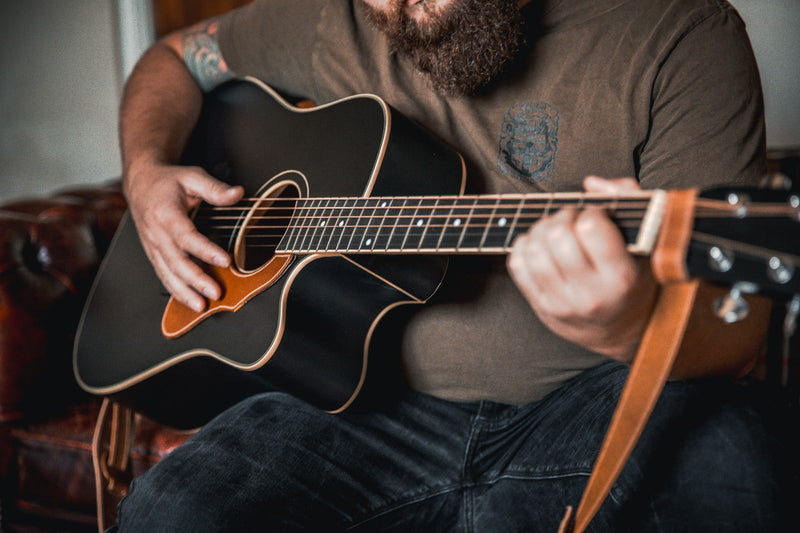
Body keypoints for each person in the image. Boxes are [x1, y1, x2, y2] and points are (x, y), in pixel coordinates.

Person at [112, 0, 781, 530]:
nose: (400, 7)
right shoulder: (327, 17)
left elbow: (739, 326)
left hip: (585, 410)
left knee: (729, 462)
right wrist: (144, 174)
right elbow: (171, 58)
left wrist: (632, 323)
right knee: (171, 510)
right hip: (360, 404)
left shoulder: (680, 31)